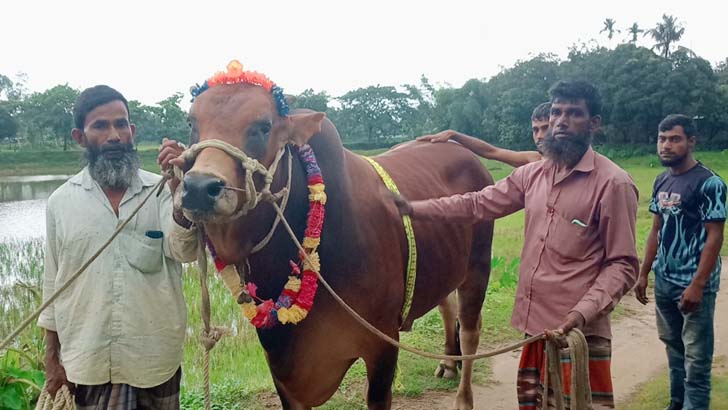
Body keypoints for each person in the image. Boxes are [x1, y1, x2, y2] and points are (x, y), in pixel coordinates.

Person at [394, 80, 639, 409]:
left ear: (594, 123)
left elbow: (622, 265)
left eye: (574, 113)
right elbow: (476, 204)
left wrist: (580, 315)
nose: (561, 121)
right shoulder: (534, 175)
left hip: (580, 333)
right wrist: (413, 209)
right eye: (556, 112)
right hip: (535, 327)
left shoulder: (613, 183)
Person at [38, 85, 199, 409]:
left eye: (121, 124)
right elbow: (54, 287)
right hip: (86, 364)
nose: (114, 135)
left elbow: (186, 252)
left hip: (154, 361)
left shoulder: (162, 191)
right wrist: (53, 360)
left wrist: (182, 191)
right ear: (79, 137)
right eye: (100, 126)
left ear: (132, 131)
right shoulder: (61, 202)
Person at [635, 114, 726, 410]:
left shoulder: (710, 183)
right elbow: (655, 230)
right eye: (662, 139)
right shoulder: (662, 179)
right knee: (674, 350)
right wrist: (644, 272)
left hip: (693, 282)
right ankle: (676, 404)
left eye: (674, 139)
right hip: (665, 279)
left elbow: (715, 237)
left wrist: (698, 285)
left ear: (691, 141)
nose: (666, 146)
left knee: (696, 357)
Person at [416, 102, 550, 167]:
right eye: (536, 130)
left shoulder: (570, 166)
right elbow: (491, 152)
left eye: (545, 128)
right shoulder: (533, 160)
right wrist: (454, 134)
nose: (539, 136)